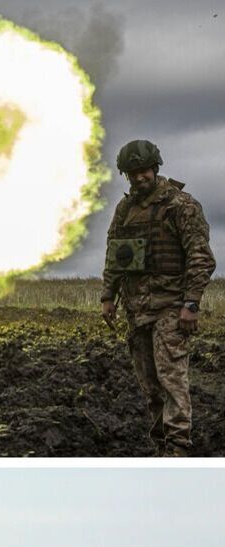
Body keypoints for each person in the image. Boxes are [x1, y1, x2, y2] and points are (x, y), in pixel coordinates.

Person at [101, 139, 216, 456]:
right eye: (133, 173)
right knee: (150, 385)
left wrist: (190, 304)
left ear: (155, 168)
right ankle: (161, 445)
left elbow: (200, 258)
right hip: (137, 310)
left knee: (171, 379)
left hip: (171, 307)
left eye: (145, 171)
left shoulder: (180, 206)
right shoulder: (125, 210)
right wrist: (107, 296)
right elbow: (115, 255)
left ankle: (178, 447)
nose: (140, 178)